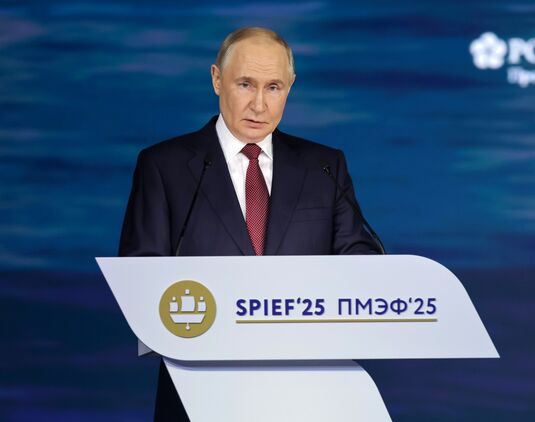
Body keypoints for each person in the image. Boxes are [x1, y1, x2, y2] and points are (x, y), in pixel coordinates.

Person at [118, 27, 379, 421]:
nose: (259, 104)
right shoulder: (164, 166)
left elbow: (360, 262)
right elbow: (140, 277)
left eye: (273, 87)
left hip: (306, 391)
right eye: (245, 84)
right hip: (198, 388)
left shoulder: (324, 166)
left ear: (290, 86)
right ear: (216, 79)